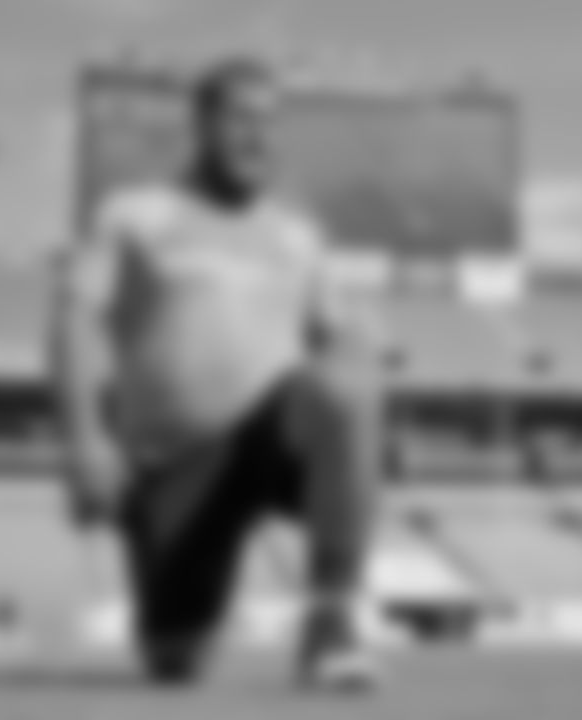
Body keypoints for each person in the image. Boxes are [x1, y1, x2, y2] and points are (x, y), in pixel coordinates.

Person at [51, 56, 382, 690]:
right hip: (177, 467)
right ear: (200, 124)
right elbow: (75, 319)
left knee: (349, 380)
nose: (258, 136)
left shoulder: (299, 237)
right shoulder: (135, 214)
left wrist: (362, 384)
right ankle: (178, 607)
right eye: (240, 118)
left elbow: (338, 343)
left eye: (270, 121)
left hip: (272, 444)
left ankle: (332, 621)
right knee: (174, 660)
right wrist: (85, 441)